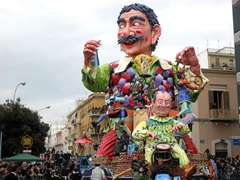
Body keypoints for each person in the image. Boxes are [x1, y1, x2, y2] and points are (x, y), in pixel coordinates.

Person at [82, 3, 208, 138]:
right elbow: (94, 84)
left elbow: (192, 92)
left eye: (136, 24)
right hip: (122, 132)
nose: (126, 32)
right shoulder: (112, 69)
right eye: (121, 26)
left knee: (187, 152)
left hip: (165, 132)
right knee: (103, 155)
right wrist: (88, 61)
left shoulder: (171, 68)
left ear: (155, 32)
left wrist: (194, 67)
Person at [132, 91, 196, 179]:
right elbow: (135, 133)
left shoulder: (172, 121)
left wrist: (180, 126)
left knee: (180, 151)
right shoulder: (148, 122)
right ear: (153, 103)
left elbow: (186, 131)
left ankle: (187, 169)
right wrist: (147, 133)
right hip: (152, 143)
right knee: (149, 153)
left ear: (170, 105)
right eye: (160, 101)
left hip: (171, 142)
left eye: (166, 102)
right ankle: (149, 172)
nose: (163, 105)